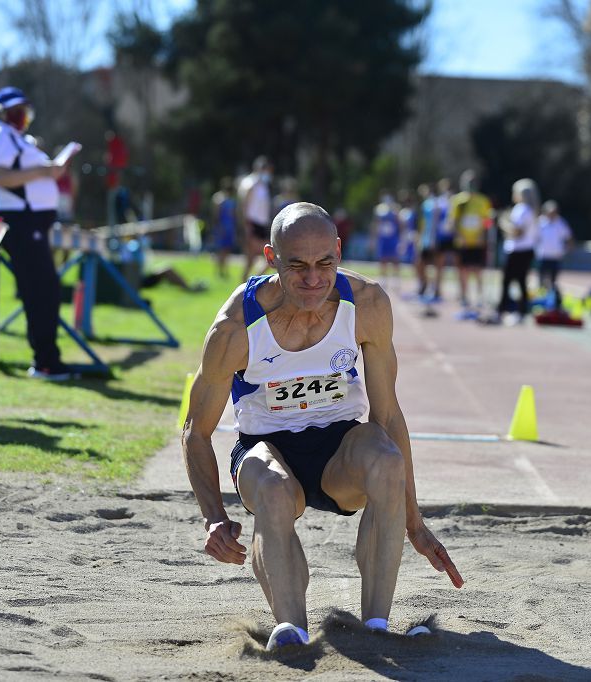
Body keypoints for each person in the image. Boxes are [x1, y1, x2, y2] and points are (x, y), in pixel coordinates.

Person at [182, 202, 463, 651]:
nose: (313, 279)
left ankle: (376, 628)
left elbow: (387, 415)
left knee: (386, 459)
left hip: (340, 451)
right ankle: (291, 630)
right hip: (264, 448)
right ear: (271, 257)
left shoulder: (367, 304)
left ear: (338, 250)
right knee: (273, 489)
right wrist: (213, 517)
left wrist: (414, 520)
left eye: (324, 264)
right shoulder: (236, 326)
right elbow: (196, 430)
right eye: (297, 266)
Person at [0, 86, 72, 380]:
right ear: (1, 111)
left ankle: (47, 358)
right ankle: (45, 361)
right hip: (21, 221)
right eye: (15, 109)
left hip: (33, 222)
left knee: (45, 288)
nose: (22, 115)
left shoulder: (17, 138)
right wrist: (46, 171)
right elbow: (1, 176)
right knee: (41, 289)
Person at [491, 178, 540, 325]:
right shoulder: (530, 210)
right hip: (526, 250)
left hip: (518, 250)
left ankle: (504, 310)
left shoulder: (522, 209)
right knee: (521, 282)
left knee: (508, 281)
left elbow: (517, 232)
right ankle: (521, 311)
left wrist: (502, 223)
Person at [448, 170, 492, 315]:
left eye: (473, 182)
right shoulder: (458, 200)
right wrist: (459, 235)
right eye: (468, 182)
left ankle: (479, 296)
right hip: (463, 242)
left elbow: (487, 221)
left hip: (477, 242)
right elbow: (453, 221)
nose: (471, 185)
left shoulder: (483, 200)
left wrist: (483, 235)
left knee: (478, 270)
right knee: (463, 270)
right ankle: (464, 296)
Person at [238, 156, 273, 281]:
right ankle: (250, 282)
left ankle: (248, 282)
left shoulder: (263, 185)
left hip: (261, 224)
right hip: (252, 223)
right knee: (270, 254)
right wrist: (246, 225)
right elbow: (244, 205)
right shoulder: (250, 183)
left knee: (253, 258)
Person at [536, 200, 572, 293]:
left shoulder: (561, 222)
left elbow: (568, 237)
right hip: (543, 255)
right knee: (541, 278)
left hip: (556, 256)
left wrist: (566, 249)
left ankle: (551, 297)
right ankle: (541, 294)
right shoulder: (540, 222)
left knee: (553, 279)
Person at [372, 190, 401, 291]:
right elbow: (376, 224)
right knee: (383, 258)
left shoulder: (395, 209)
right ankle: (383, 277)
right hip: (383, 238)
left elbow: (399, 224)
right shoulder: (379, 209)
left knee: (395, 258)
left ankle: (396, 278)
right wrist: (373, 239)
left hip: (392, 238)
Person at [432, 178, 455, 301]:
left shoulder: (455, 200)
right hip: (441, 236)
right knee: (439, 264)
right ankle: (437, 290)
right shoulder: (439, 202)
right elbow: (435, 220)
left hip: (453, 237)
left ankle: (459, 293)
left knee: (457, 264)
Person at [414, 183, 437, 299]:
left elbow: (433, 222)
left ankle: (430, 287)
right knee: (420, 263)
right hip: (426, 239)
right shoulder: (427, 204)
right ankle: (424, 285)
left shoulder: (431, 204)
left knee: (429, 264)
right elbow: (423, 223)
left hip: (430, 240)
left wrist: (431, 238)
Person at [211, 177, 237, 279]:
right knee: (220, 250)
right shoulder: (219, 198)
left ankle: (224, 270)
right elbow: (216, 215)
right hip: (223, 227)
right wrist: (218, 227)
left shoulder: (231, 199)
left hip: (229, 227)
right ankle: (219, 270)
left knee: (226, 250)